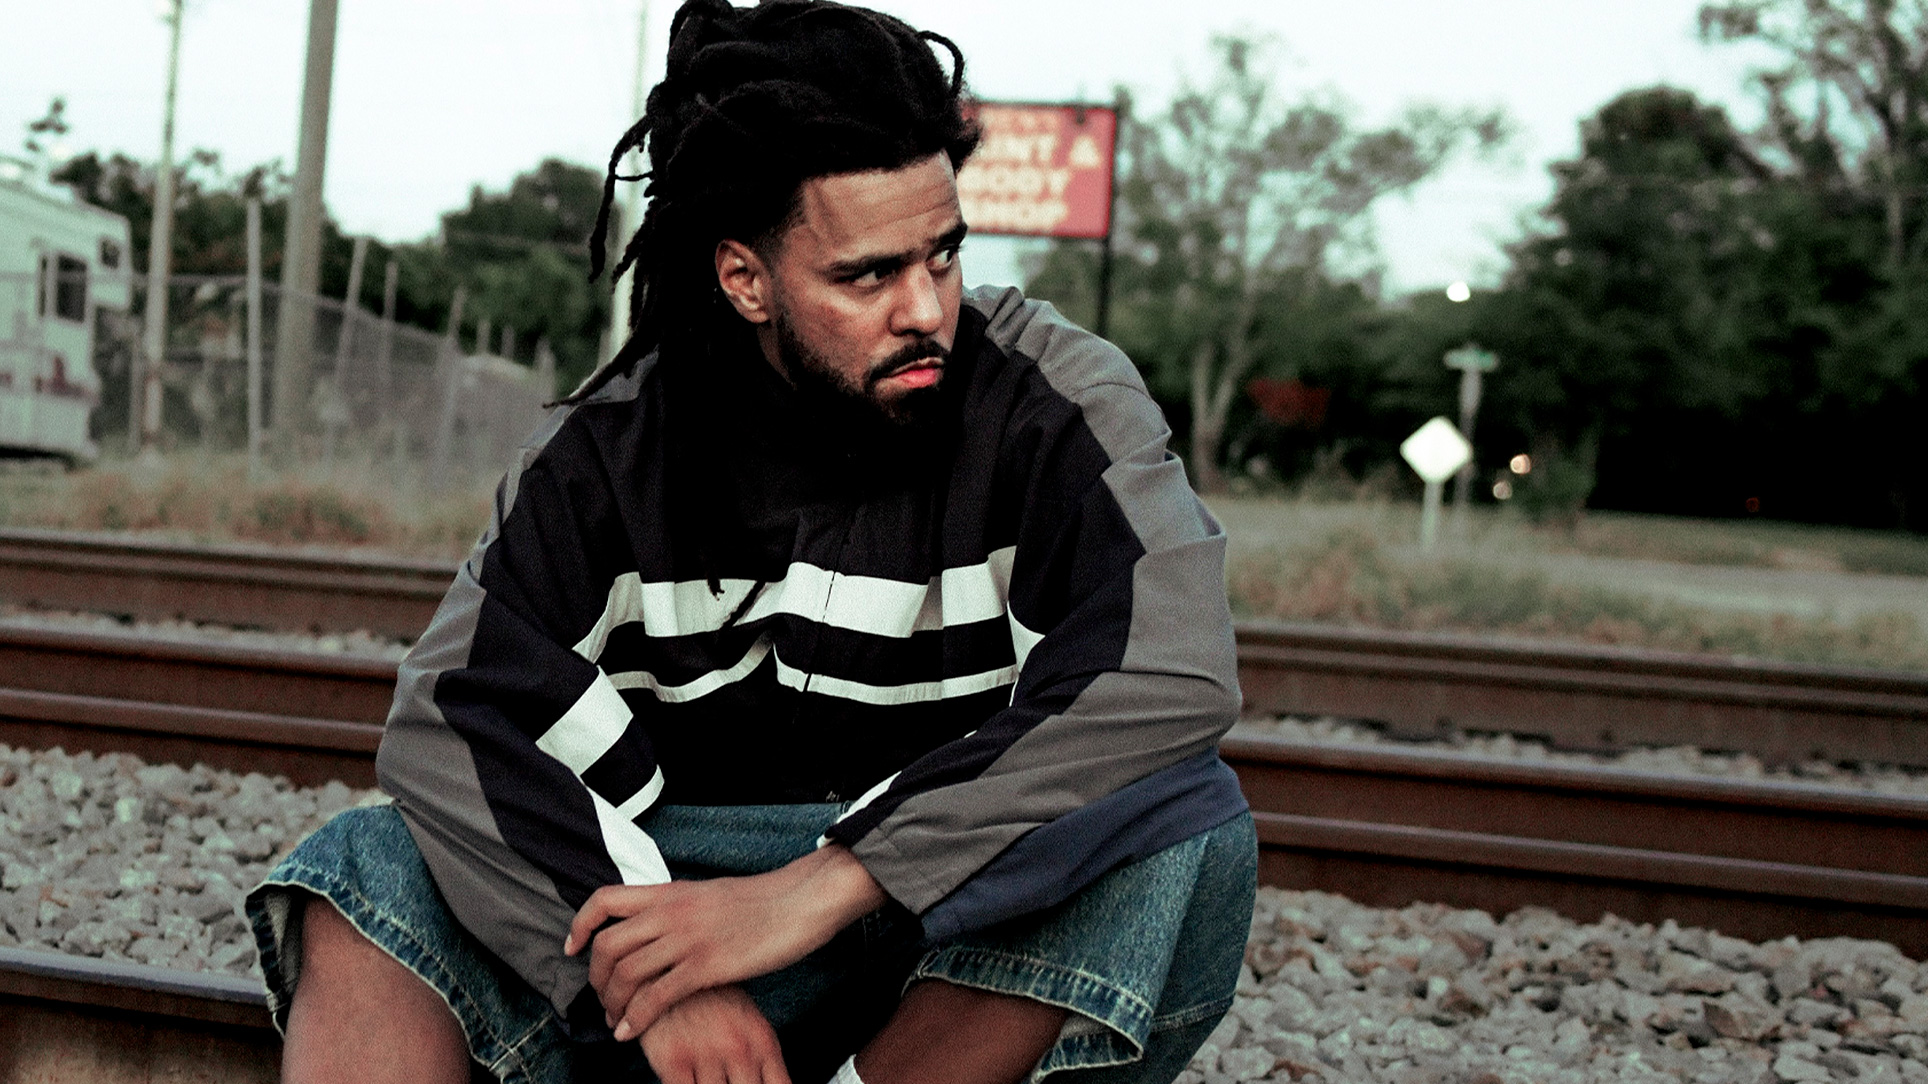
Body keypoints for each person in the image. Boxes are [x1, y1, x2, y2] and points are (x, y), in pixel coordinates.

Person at [246, 2, 1256, 1082]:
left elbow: (1169, 666)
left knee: (1178, 819)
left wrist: (820, 884)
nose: (926, 309)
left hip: (941, 930)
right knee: (369, 862)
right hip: (674, 924)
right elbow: (448, 720)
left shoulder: (1050, 397)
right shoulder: (611, 451)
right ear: (744, 279)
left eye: (943, 254)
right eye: (867, 275)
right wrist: (651, 975)